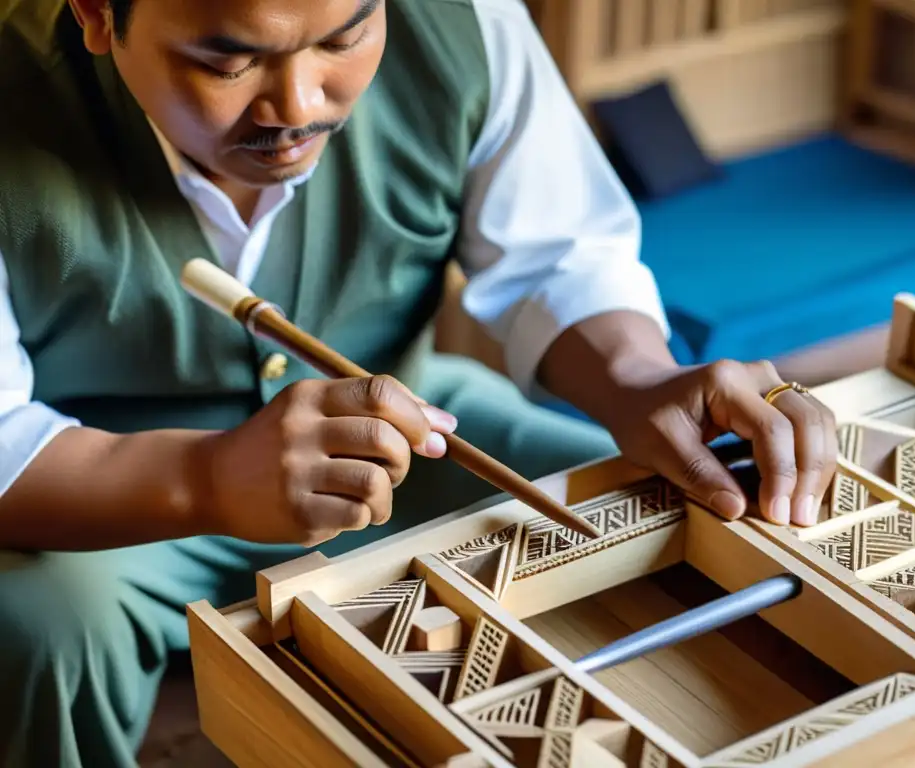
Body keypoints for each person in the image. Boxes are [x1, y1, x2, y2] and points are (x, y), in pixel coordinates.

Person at [0, 0, 838, 763]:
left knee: (664, 501)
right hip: (112, 490)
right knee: (38, 625)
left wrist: (639, 377)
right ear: (97, 14)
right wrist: (209, 478)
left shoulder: (463, 21)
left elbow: (557, 254)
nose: (297, 106)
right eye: (229, 62)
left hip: (411, 430)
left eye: (345, 36)